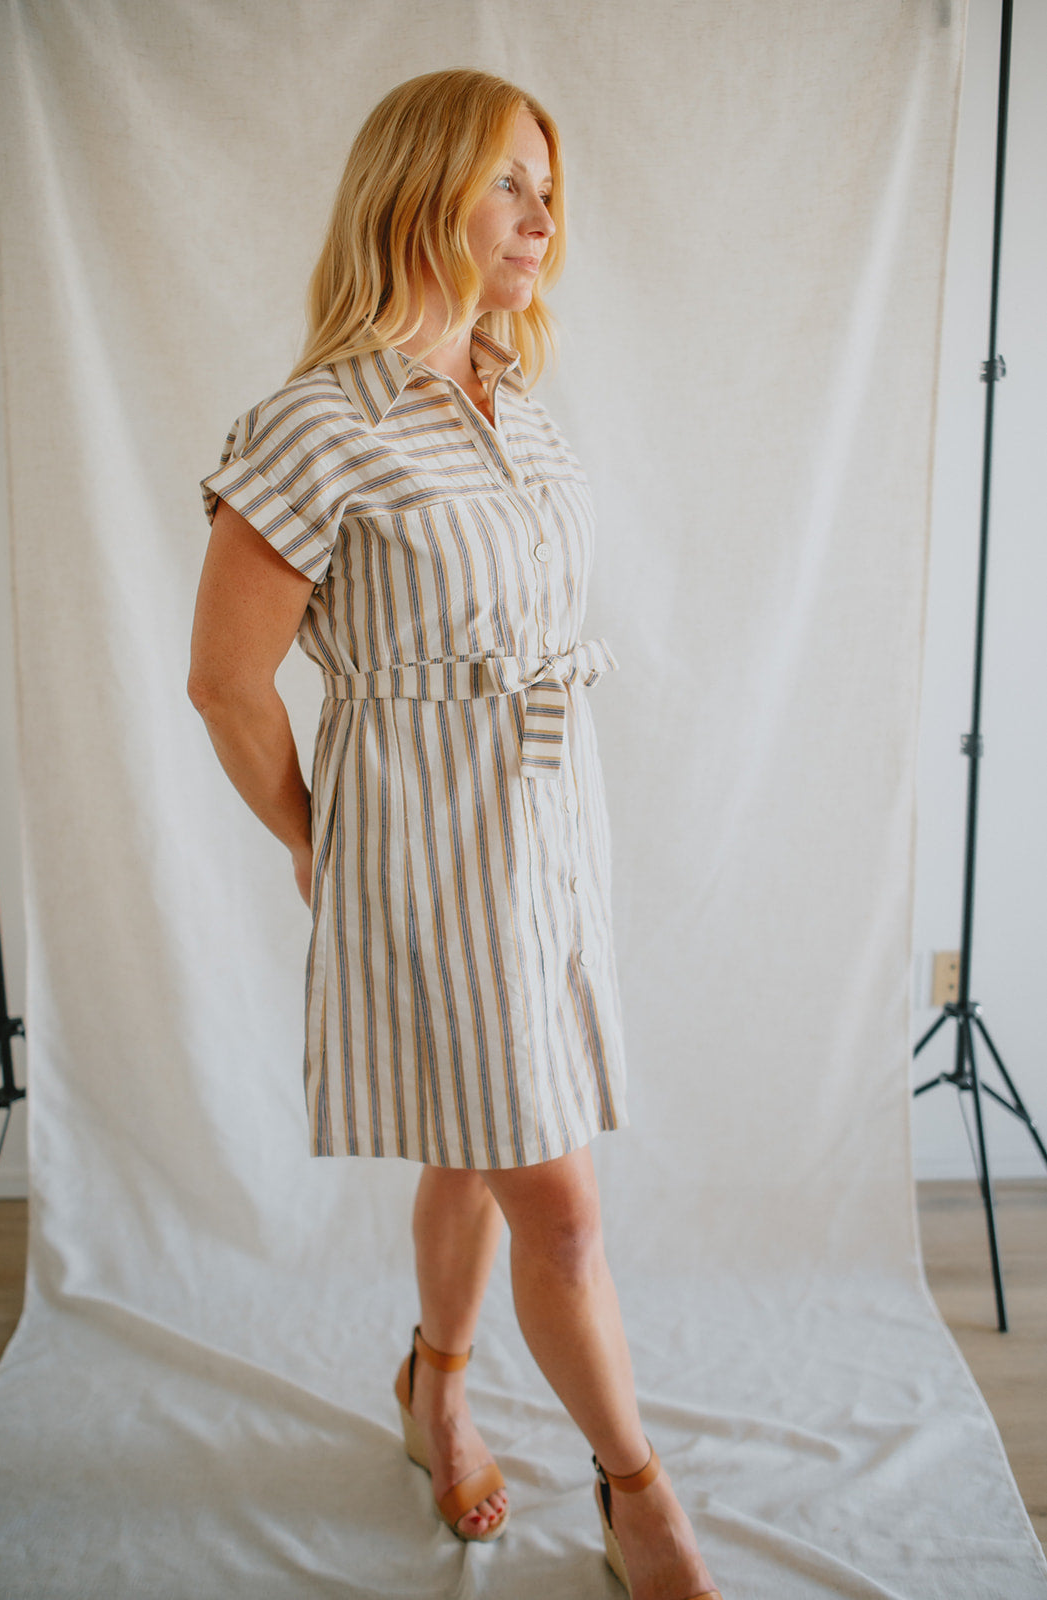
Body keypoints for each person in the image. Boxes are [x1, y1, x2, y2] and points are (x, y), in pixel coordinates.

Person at [188, 68, 721, 1600]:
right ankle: (638, 1492)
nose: (541, 218)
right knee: (561, 1203)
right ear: (417, 193)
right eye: (506, 184)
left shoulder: (516, 408)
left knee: (471, 1146)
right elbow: (225, 682)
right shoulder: (312, 426)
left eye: (549, 190)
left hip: (548, 838)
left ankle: (435, 1384)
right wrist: (316, 842)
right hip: (426, 858)